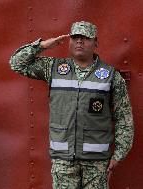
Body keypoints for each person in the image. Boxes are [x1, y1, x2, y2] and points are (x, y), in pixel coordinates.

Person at [9, 21, 134, 188]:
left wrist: (119, 155)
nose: (79, 42)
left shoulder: (110, 76)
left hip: (97, 163)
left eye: (85, 38)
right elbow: (16, 63)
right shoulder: (53, 68)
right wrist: (43, 45)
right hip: (63, 161)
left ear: (95, 42)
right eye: (75, 37)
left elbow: (124, 119)